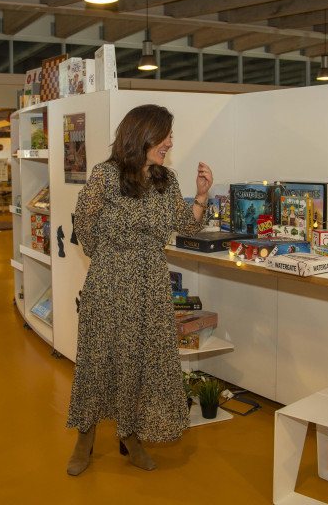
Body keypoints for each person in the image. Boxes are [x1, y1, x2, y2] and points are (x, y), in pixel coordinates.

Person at [65, 104, 213, 476]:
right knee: (99, 359)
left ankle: (131, 437)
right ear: (141, 135)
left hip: (151, 281)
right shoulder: (104, 176)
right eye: (164, 135)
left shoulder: (167, 179)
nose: (170, 142)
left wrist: (201, 196)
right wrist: (111, 258)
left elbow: (186, 226)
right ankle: (85, 436)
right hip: (110, 279)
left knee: (142, 362)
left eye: (169, 136)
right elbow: (83, 223)